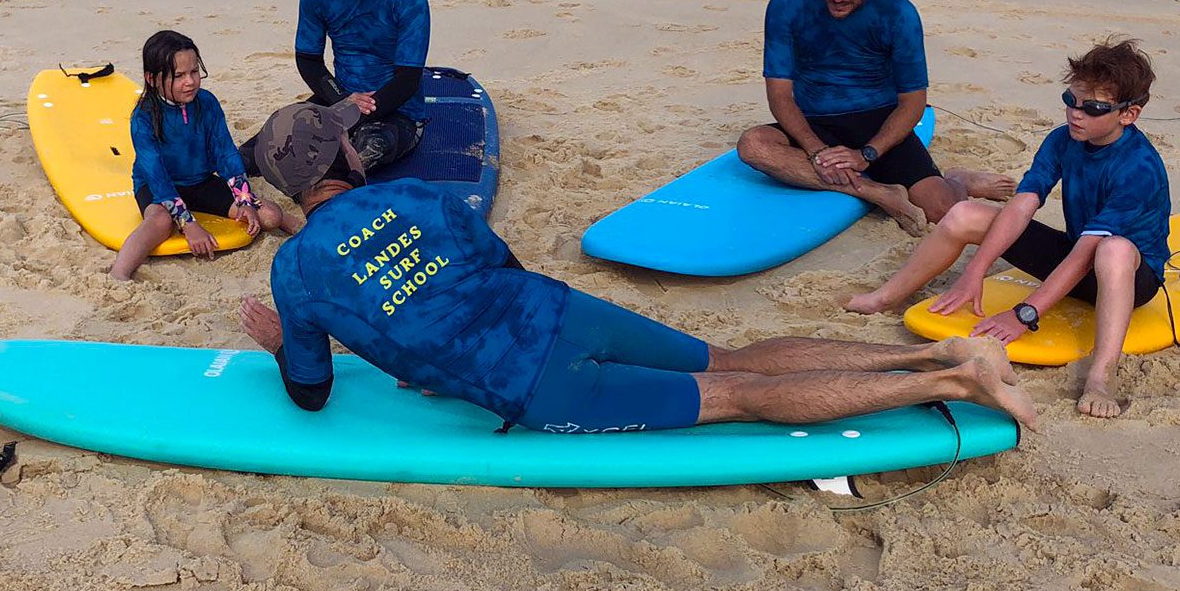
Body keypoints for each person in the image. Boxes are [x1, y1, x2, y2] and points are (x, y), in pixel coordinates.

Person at [238, 98, 1038, 435]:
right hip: (554, 309)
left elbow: (311, 395)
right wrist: (433, 334)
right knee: (731, 361)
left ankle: (946, 381)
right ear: (347, 149)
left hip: (530, 382)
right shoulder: (418, 191)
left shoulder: (298, 272)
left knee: (732, 396)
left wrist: (284, 341)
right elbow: (497, 264)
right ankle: (937, 350)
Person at [845, 40, 1170, 420]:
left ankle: (1101, 376)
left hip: (1129, 276)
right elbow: (1021, 206)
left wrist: (1025, 314)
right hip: (1077, 251)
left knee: (1111, 249)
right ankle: (883, 298)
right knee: (966, 212)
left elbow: (1086, 255)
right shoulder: (1063, 139)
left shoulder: (1138, 167)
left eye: (1093, 108)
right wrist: (975, 272)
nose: (1076, 114)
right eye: (1071, 99)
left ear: (1128, 114)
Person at [737, 0, 1014, 234]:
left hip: (880, 121)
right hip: (814, 122)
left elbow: (913, 103)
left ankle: (959, 180)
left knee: (943, 210)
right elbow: (779, 95)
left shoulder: (898, 13)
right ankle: (879, 192)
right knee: (753, 145)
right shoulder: (788, 3)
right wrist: (816, 152)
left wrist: (866, 154)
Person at [243, 0, 431, 174]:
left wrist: (355, 114)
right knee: (262, 148)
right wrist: (343, 101)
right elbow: (309, 61)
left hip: (397, 111)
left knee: (369, 149)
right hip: (340, 99)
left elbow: (408, 78)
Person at [113, 30, 294, 281]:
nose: (190, 81)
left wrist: (244, 199)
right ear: (152, 79)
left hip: (201, 182)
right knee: (162, 222)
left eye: (194, 72)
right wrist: (188, 224)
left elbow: (227, 154)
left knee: (269, 216)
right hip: (157, 187)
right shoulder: (143, 118)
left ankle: (294, 224)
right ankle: (119, 273)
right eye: (179, 76)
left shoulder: (207, 103)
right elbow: (156, 176)